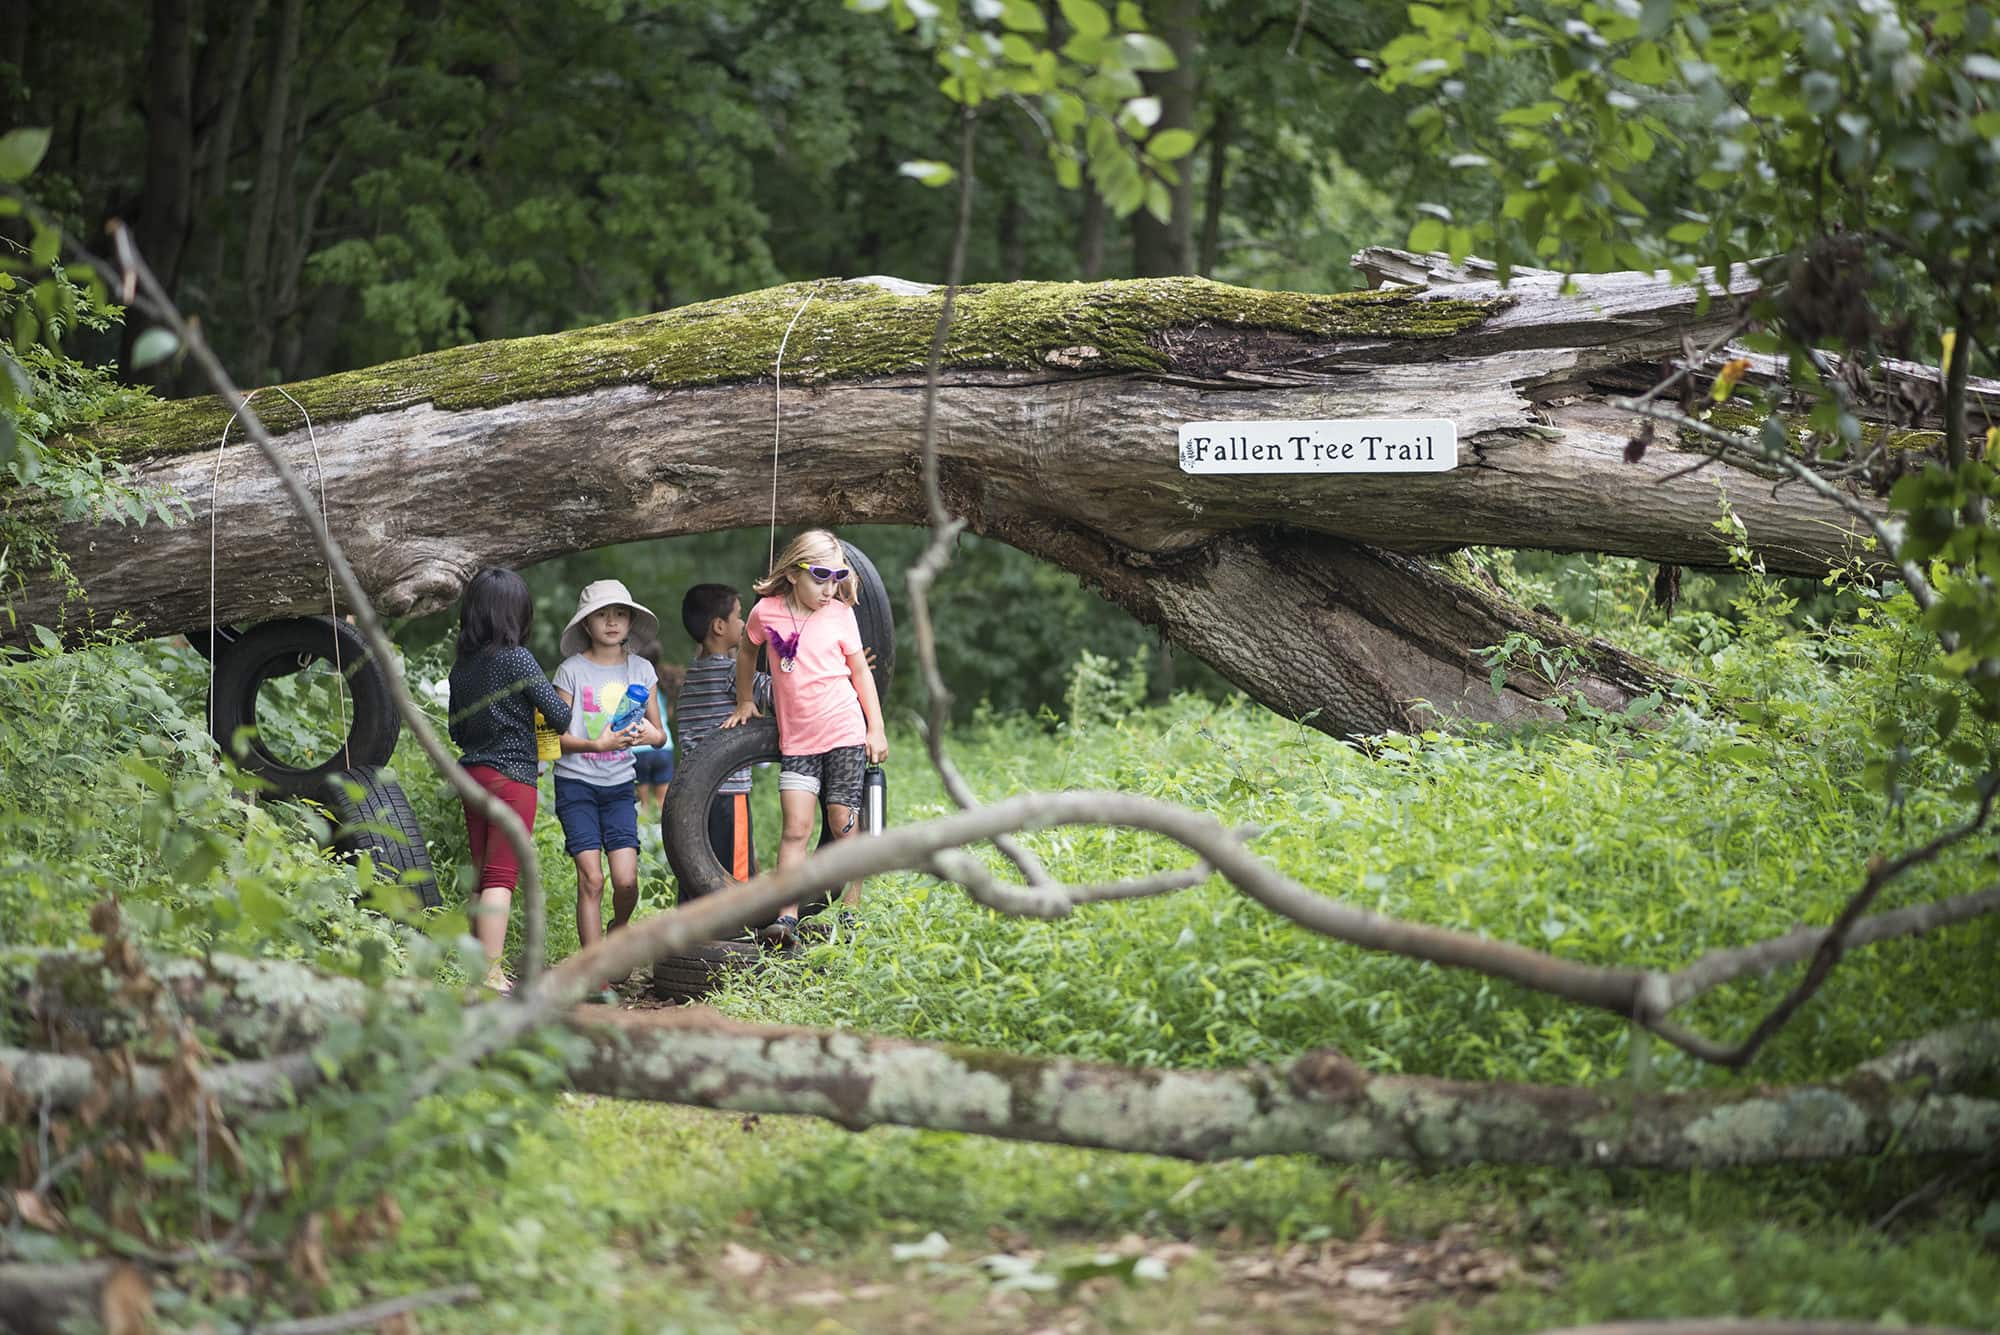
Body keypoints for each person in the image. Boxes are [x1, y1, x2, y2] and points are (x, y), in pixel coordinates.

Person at [722, 530, 887, 947]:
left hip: (844, 732)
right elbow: (746, 652)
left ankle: (851, 905)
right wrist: (745, 700)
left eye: (837, 577)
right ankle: (786, 917)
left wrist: (876, 727)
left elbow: (860, 672)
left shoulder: (840, 614)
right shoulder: (766, 612)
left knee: (840, 822)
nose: (829, 588)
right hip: (797, 742)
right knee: (795, 827)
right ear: (794, 573)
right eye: (820, 577)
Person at [445, 567, 599, 994]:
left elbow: (455, 729)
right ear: (516, 613)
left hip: (472, 773)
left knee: (482, 875)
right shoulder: (517, 658)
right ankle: (492, 973)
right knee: (500, 877)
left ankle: (478, 971)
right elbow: (560, 716)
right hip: (512, 777)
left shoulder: (463, 667)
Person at [551, 579, 667, 964]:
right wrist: (596, 745)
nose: (612, 622)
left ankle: (619, 925)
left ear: (631, 621)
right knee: (592, 879)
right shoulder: (571, 671)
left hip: (620, 787)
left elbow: (659, 732)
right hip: (576, 784)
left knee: (625, 880)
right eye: (602, 615)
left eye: (620, 614)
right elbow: (555, 739)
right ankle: (593, 969)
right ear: (587, 624)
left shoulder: (641, 669)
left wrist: (652, 735)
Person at [676, 583, 771, 889]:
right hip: (729, 791)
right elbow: (778, 693)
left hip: (691, 797)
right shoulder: (733, 674)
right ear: (719, 626)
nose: (744, 624)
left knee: (698, 870)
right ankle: (741, 933)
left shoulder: (691, 676)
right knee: (735, 872)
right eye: (739, 616)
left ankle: (696, 931)